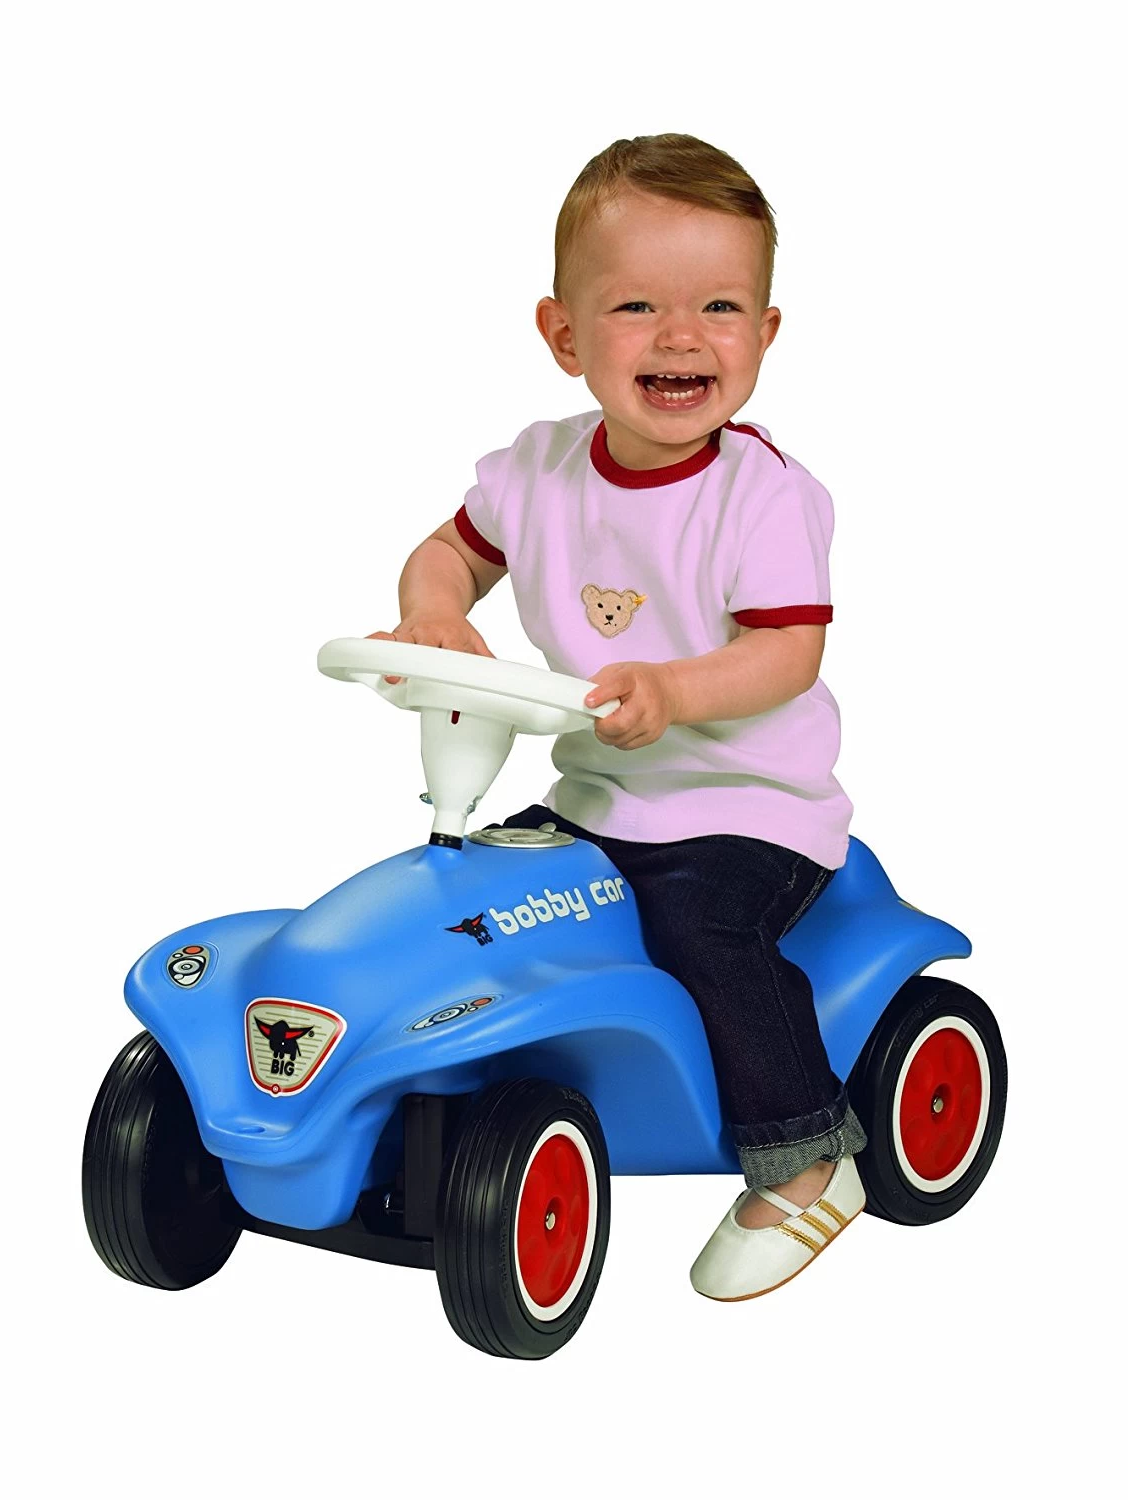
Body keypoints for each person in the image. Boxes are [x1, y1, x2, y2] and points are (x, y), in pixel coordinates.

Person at [369, 133, 867, 1300]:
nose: (681, 335)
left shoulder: (763, 497)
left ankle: (805, 1159)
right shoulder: (538, 470)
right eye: (636, 305)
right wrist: (433, 611)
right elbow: (449, 552)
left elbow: (786, 652)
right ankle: (434, 1087)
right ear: (563, 336)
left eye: (718, 307)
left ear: (764, 333)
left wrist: (675, 690)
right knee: (475, 903)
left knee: (698, 930)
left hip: (745, 811)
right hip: (600, 797)